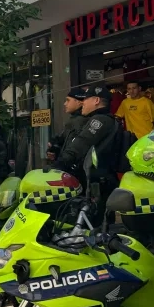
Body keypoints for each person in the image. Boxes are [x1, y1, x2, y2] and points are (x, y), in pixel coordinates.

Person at [54, 85, 118, 216]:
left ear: (96, 101)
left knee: (92, 225)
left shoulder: (99, 120)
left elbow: (82, 143)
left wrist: (60, 163)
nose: (83, 102)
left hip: (97, 183)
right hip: (100, 181)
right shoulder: (105, 120)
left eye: (86, 99)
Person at [47, 87, 89, 163]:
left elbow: (75, 150)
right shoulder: (74, 119)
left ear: (79, 102)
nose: (65, 103)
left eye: (68, 100)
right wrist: (56, 147)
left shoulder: (80, 121)